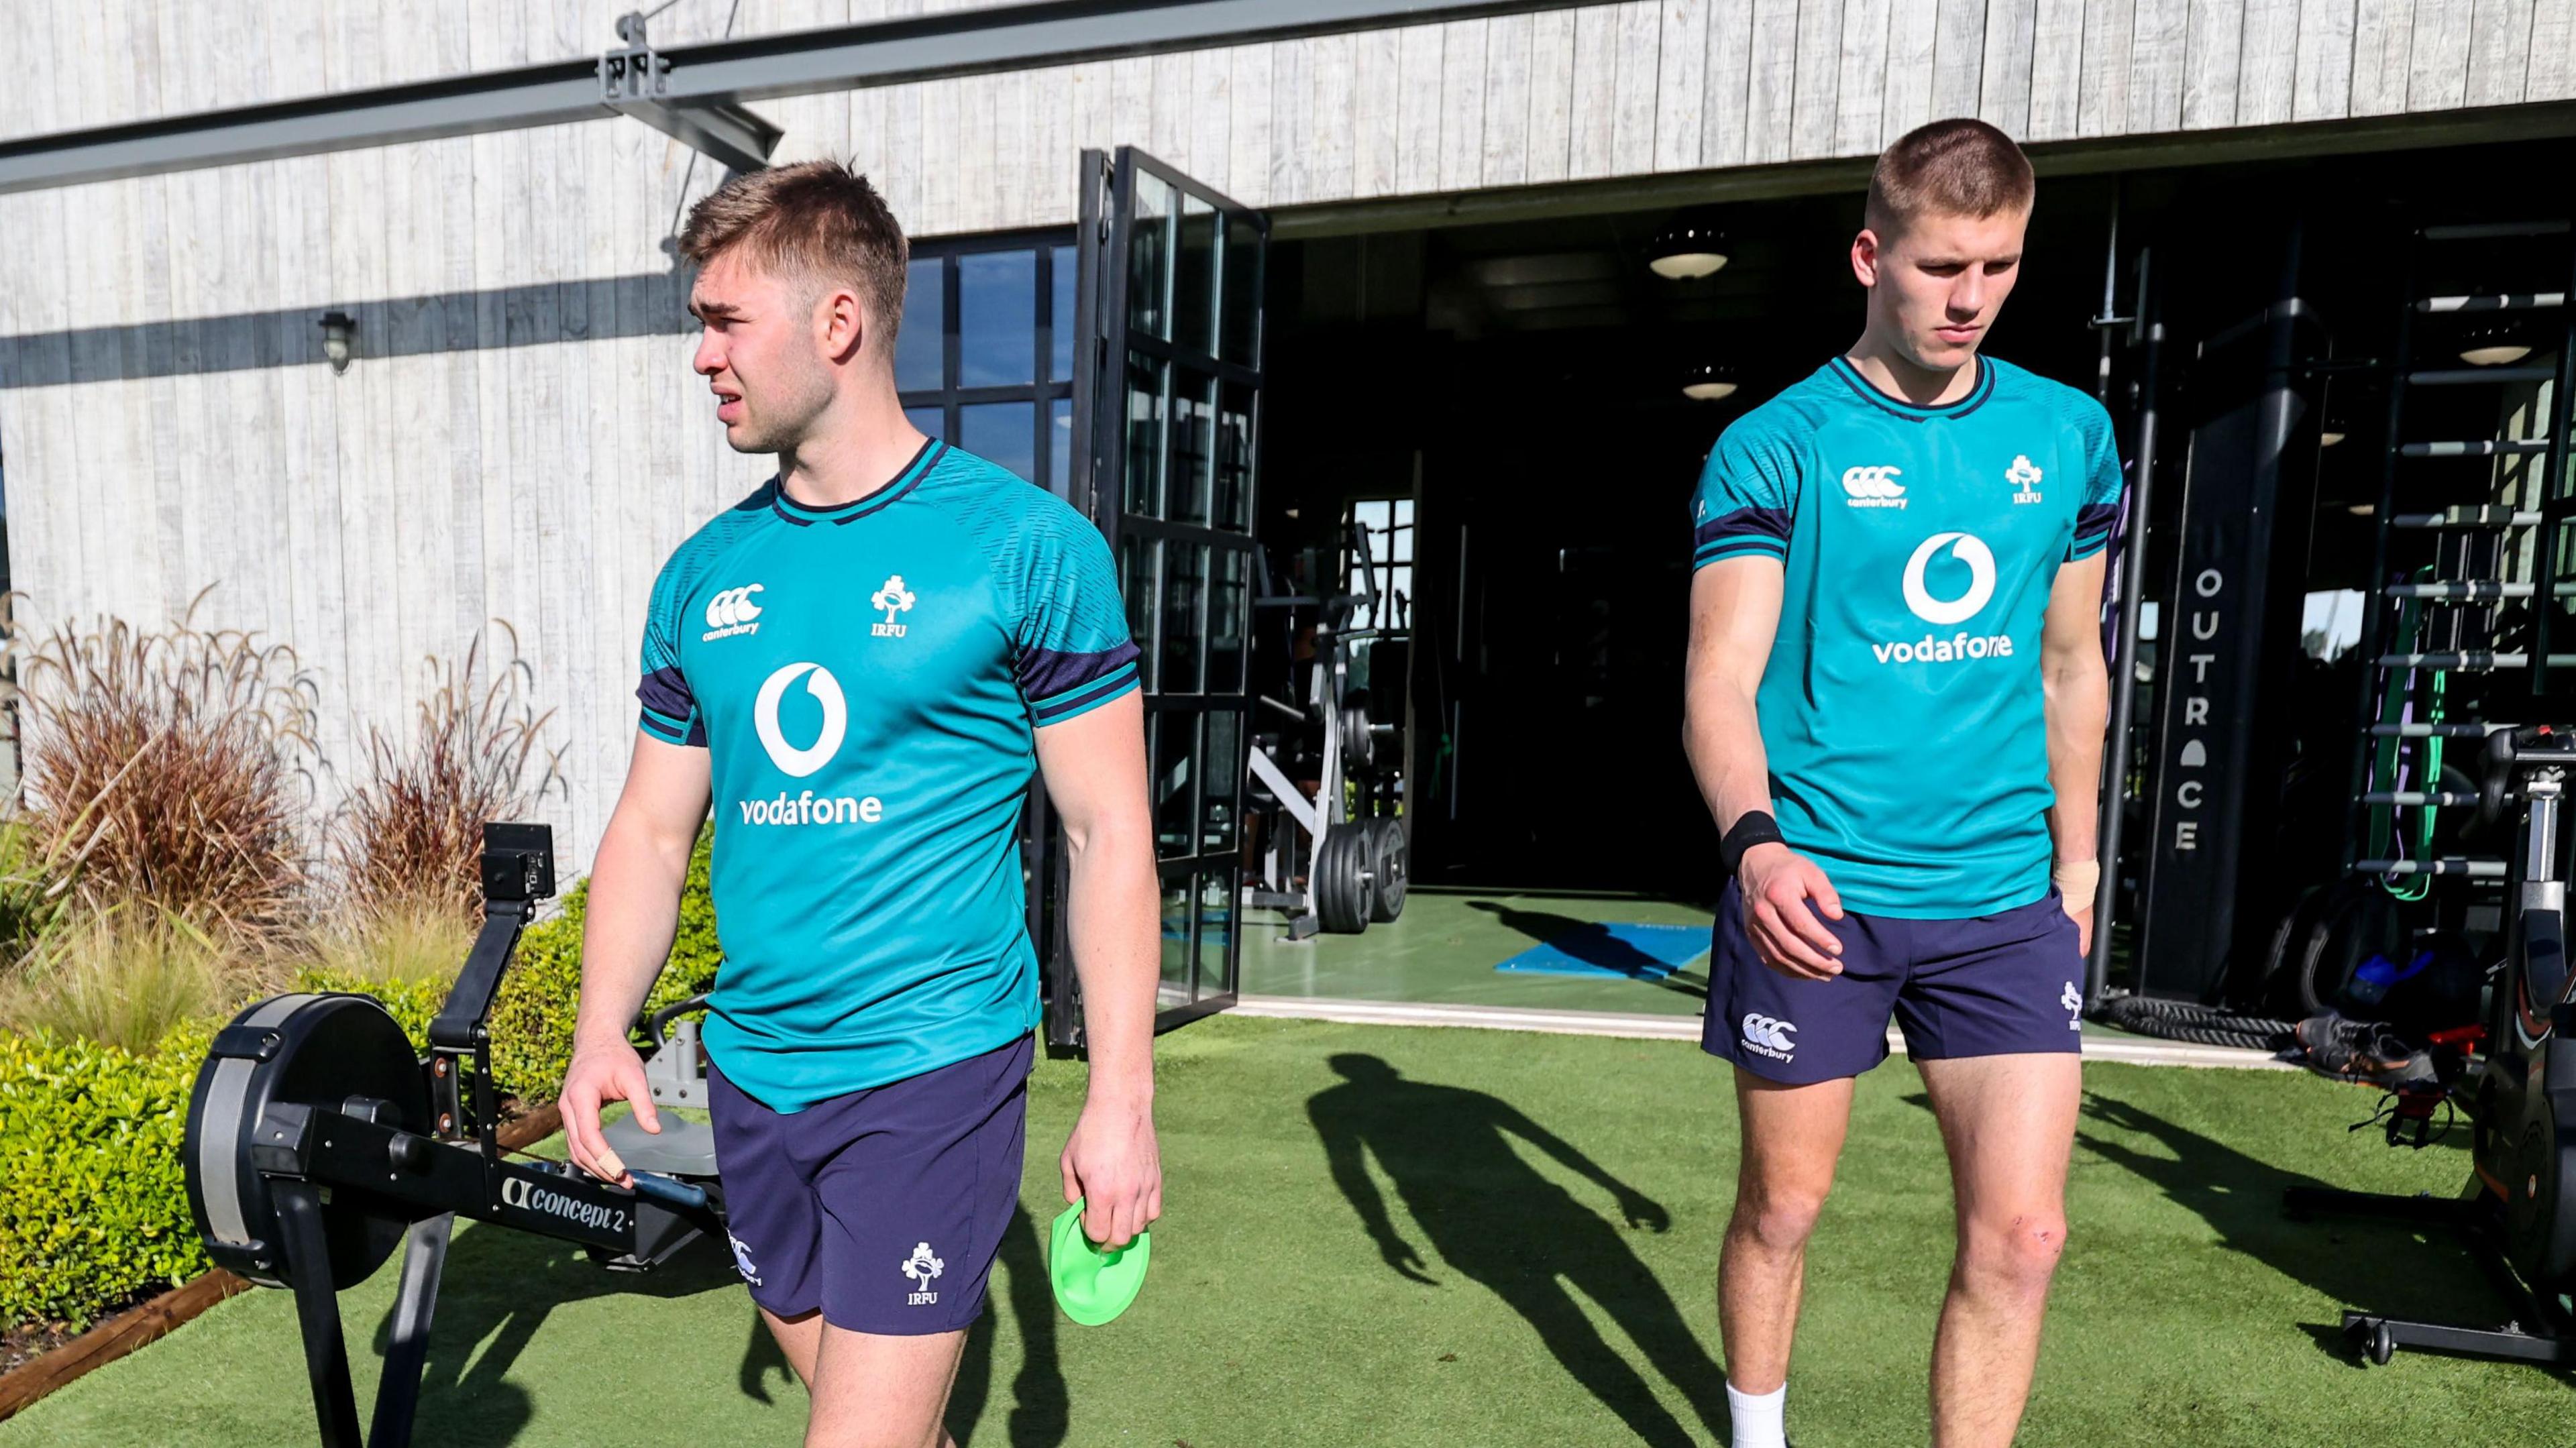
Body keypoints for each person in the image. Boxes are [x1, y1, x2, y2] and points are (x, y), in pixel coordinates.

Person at [557, 160, 1163, 1448]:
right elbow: (653, 829)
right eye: (699, 325)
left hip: (930, 1073)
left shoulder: (1028, 549)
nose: (703, 357)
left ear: (837, 323)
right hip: (754, 1083)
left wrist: (1122, 1101)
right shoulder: (702, 575)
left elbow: (1110, 835)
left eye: (725, 322)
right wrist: (602, 1023)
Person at [1682, 118, 2118, 1448]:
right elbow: (1719, 675)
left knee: (2026, 1233)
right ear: (1873, 254)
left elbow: (2072, 668)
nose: (1970, 298)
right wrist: (1756, 847)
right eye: (1941, 267)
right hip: (1817, 893)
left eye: (1997, 266)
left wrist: (2083, 864)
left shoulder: (2069, 432)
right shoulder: (1777, 442)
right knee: (1786, 1208)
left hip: (2000, 900)